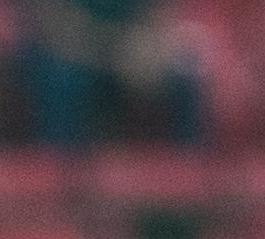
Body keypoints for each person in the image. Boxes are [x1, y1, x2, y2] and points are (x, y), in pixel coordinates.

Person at [15, 0, 205, 149]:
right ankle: (60, 173)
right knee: (62, 77)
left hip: (129, 51)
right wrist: (113, 50)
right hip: (71, 51)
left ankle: (189, 176)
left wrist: (148, 46)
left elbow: (159, 16)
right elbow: (54, 24)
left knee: (186, 75)